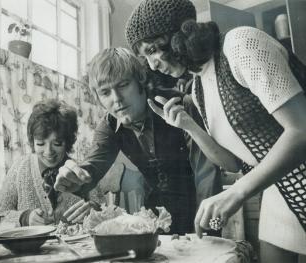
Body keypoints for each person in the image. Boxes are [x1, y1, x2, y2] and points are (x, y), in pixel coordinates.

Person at [125, 0, 306, 261]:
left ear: (181, 31)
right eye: (145, 56)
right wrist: (188, 124)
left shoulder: (240, 44)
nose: (153, 65)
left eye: (153, 49)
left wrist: (237, 191)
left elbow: (300, 130)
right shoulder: (198, 88)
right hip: (281, 187)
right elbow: (233, 163)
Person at [54, 47, 223, 235]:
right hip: (158, 216)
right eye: (105, 92)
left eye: (123, 85)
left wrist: (208, 229)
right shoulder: (109, 125)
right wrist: (74, 177)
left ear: (140, 80)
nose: (116, 99)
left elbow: (205, 173)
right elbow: (91, 167)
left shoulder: (178, 104)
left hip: (202, 208)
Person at [0, 99, 99, 227]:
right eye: (40, 144)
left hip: (75, 247)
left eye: (57, 143)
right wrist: (24, 218)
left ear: (68, 141)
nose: (48, 152)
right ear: (32, 141)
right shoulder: (19, 168)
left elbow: (105, 212)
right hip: (32, 247)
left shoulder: (81, 170)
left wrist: (94, 211)